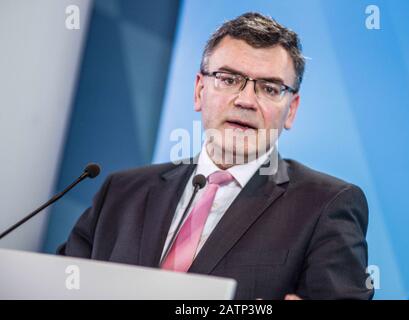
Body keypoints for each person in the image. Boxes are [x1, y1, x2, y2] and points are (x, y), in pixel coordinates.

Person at [58, 12, 373, 300]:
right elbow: (56, 286)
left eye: (269, 88)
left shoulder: (326, 205)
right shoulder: (121, 192)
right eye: (228, 79)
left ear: (291, 110)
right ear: (199, 91)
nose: (246, 100)